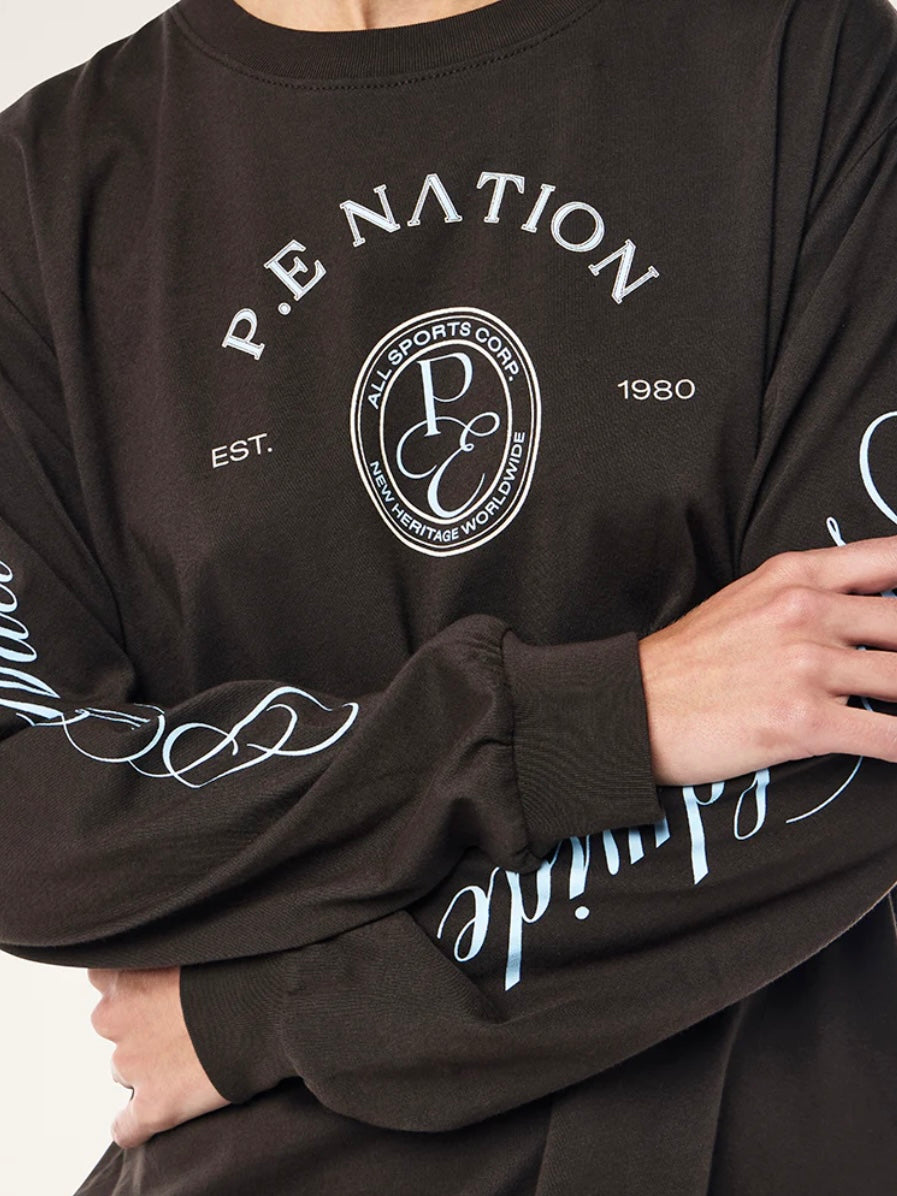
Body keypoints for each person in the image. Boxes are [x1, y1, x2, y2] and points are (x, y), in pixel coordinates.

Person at [2, 0, 897, 1191]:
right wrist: (587, 719)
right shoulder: (45, 189)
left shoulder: (814, 68)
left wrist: (275, 1007)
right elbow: (32, 813)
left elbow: (860, 732)